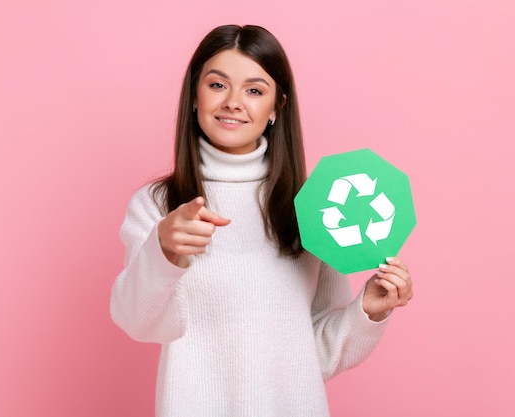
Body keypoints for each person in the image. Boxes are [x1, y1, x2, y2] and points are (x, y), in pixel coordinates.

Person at [110, 24, 413, 417]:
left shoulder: (313, 207)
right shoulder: (158, 205)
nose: (234, 102)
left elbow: (314, 356)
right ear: (194, 95)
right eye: (218, 85)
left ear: (276, 107)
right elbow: (138, 323)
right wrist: (164, 252)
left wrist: (367, 313)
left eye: (254, 90)